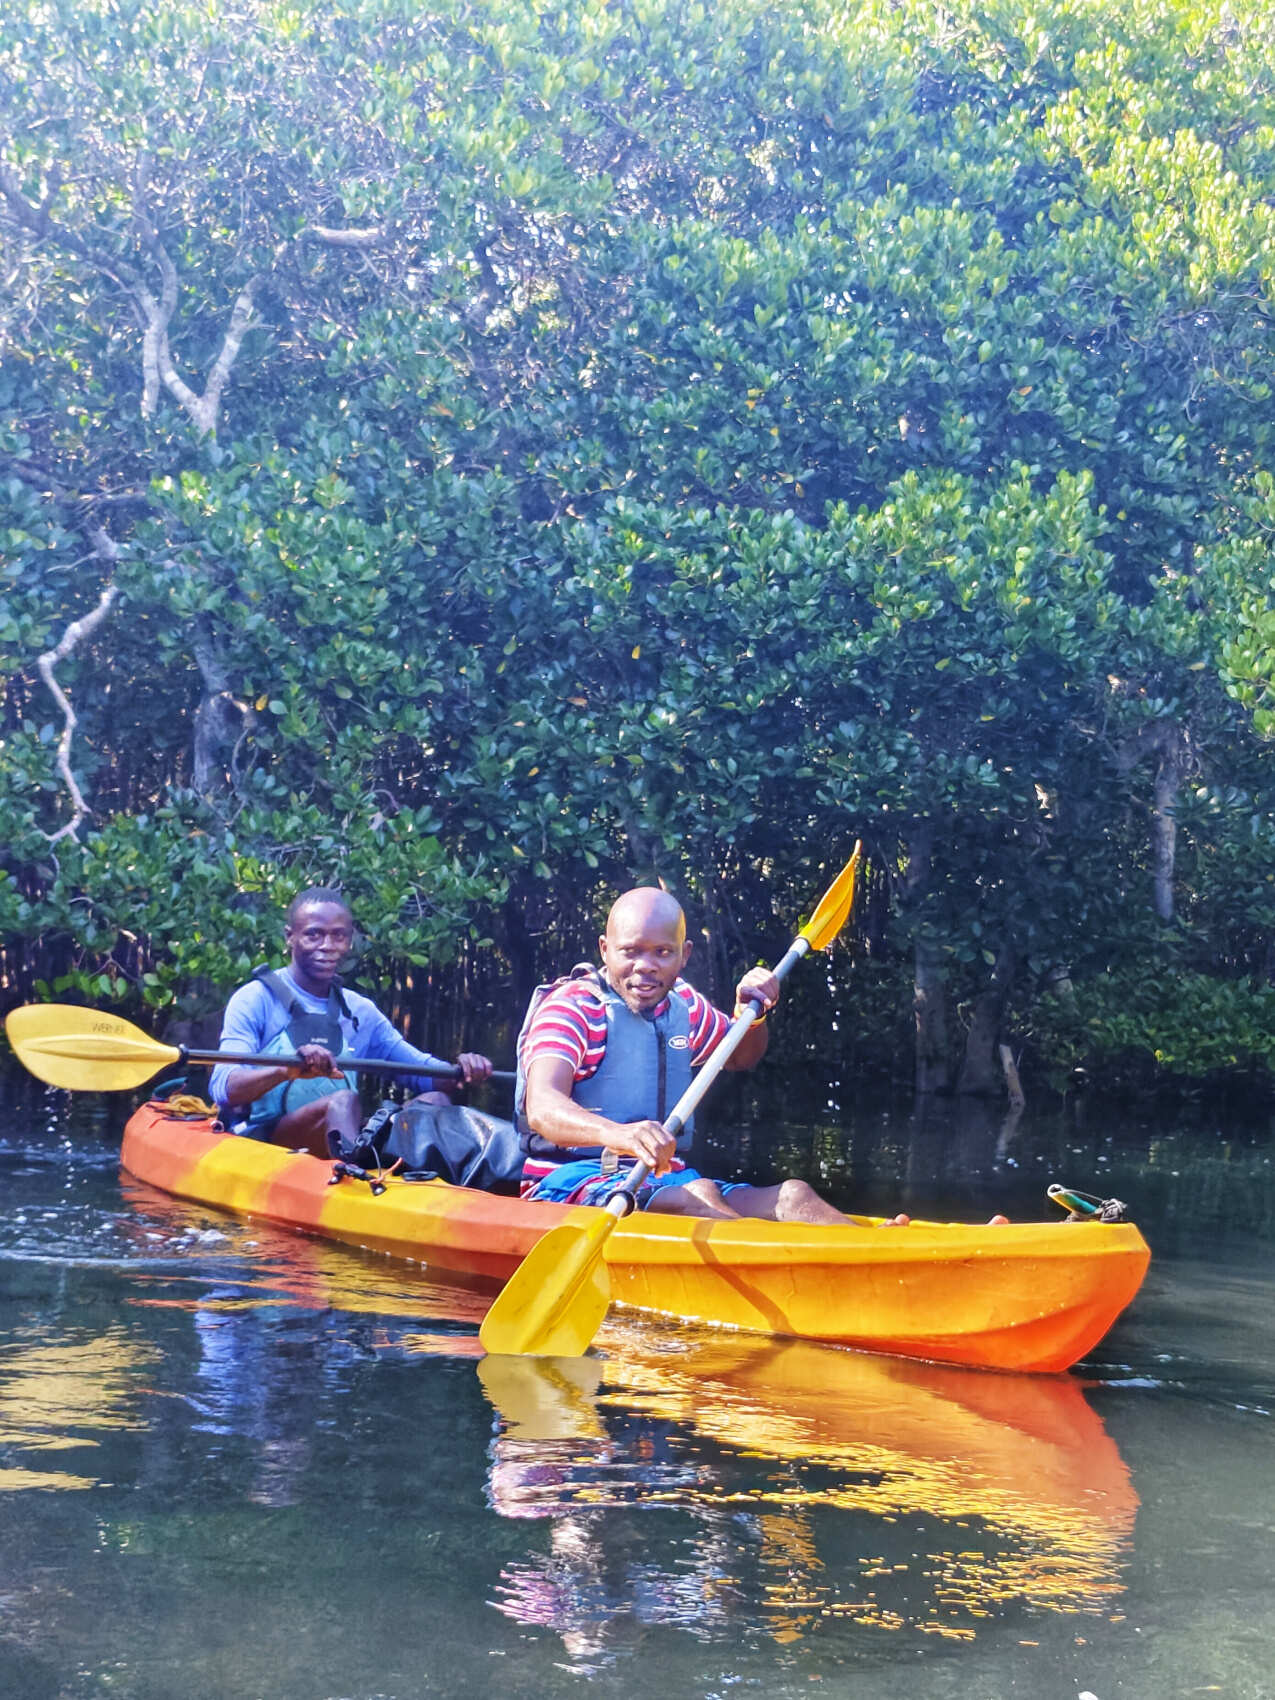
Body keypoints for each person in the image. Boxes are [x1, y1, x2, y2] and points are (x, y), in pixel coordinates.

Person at [515, 886, 896, 1223]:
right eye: (630, 951)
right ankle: (771, 1270)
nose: (645, 966)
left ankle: (877, 1256)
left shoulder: (683, 1004)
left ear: (684, 955)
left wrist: (752, 1015)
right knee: (699, 1198)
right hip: (567, 1182)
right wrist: (621, 1135)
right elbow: (543, 1107)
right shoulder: (573, 1007)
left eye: (663, 952)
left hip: (668, 1179)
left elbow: (740, 1057)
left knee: (794, 1196)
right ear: (605, 950)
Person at [210, 887, 492, 1157]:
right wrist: (285, 1069)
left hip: (339, 1138)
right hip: (269, 1140)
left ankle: (410, 1184)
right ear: (290, 937)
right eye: (313, 935)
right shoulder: (255, 999)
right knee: (343, 1100)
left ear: (349, 940)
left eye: (338, 936)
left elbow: (421, 1074)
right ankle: (353, 1173)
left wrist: (461, 1071)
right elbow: (223, 1087)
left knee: (436, 1103)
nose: (327, 946)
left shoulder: (359, 1010)